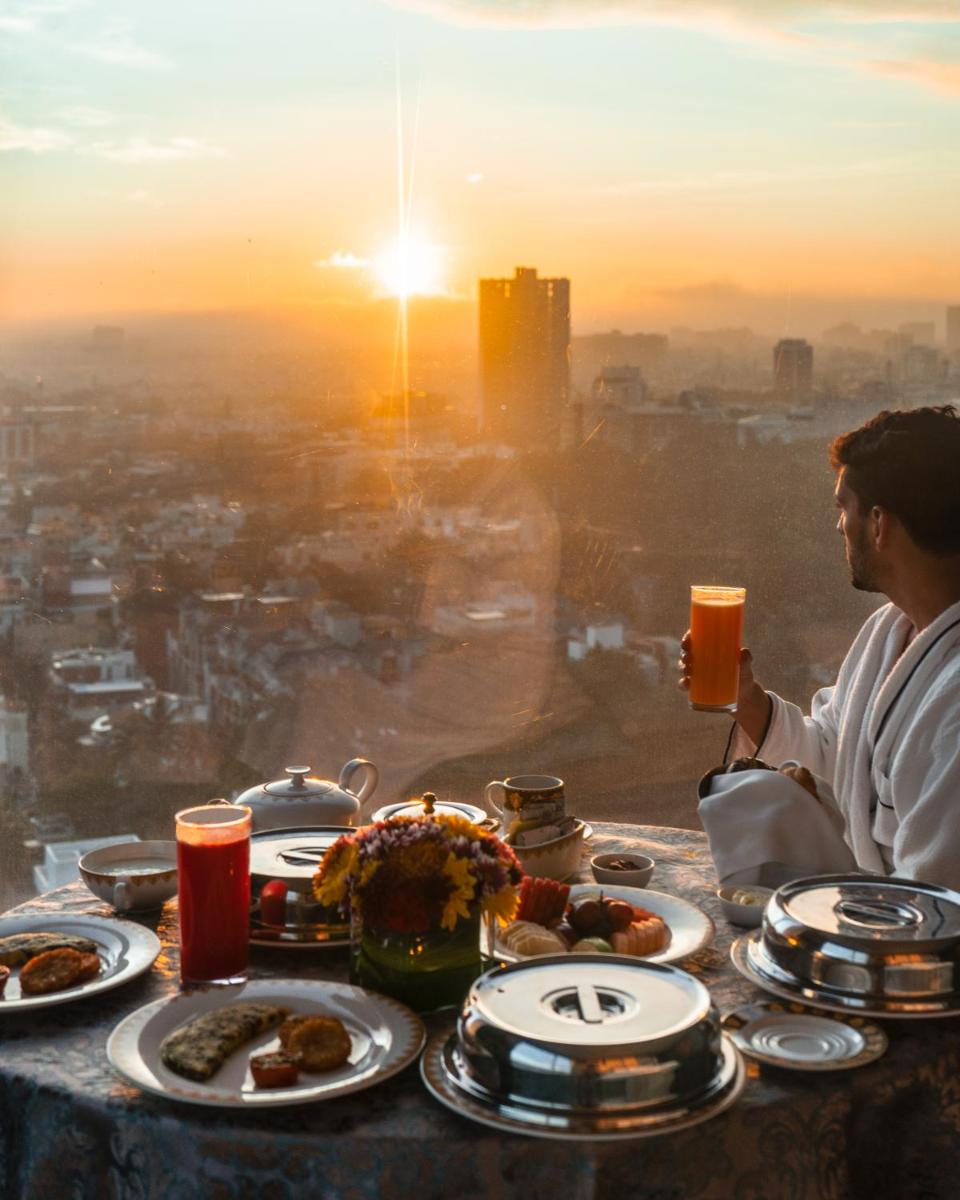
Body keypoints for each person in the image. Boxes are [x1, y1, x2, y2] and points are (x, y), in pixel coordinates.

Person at [681, 405, 960, 890]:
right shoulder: (887, 631)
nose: (838, 526)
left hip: (905, 946)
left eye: (842, 507)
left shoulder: (953, 701)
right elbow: (836, 759)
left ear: (879, 523)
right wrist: (748, 701)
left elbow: (937, 899)